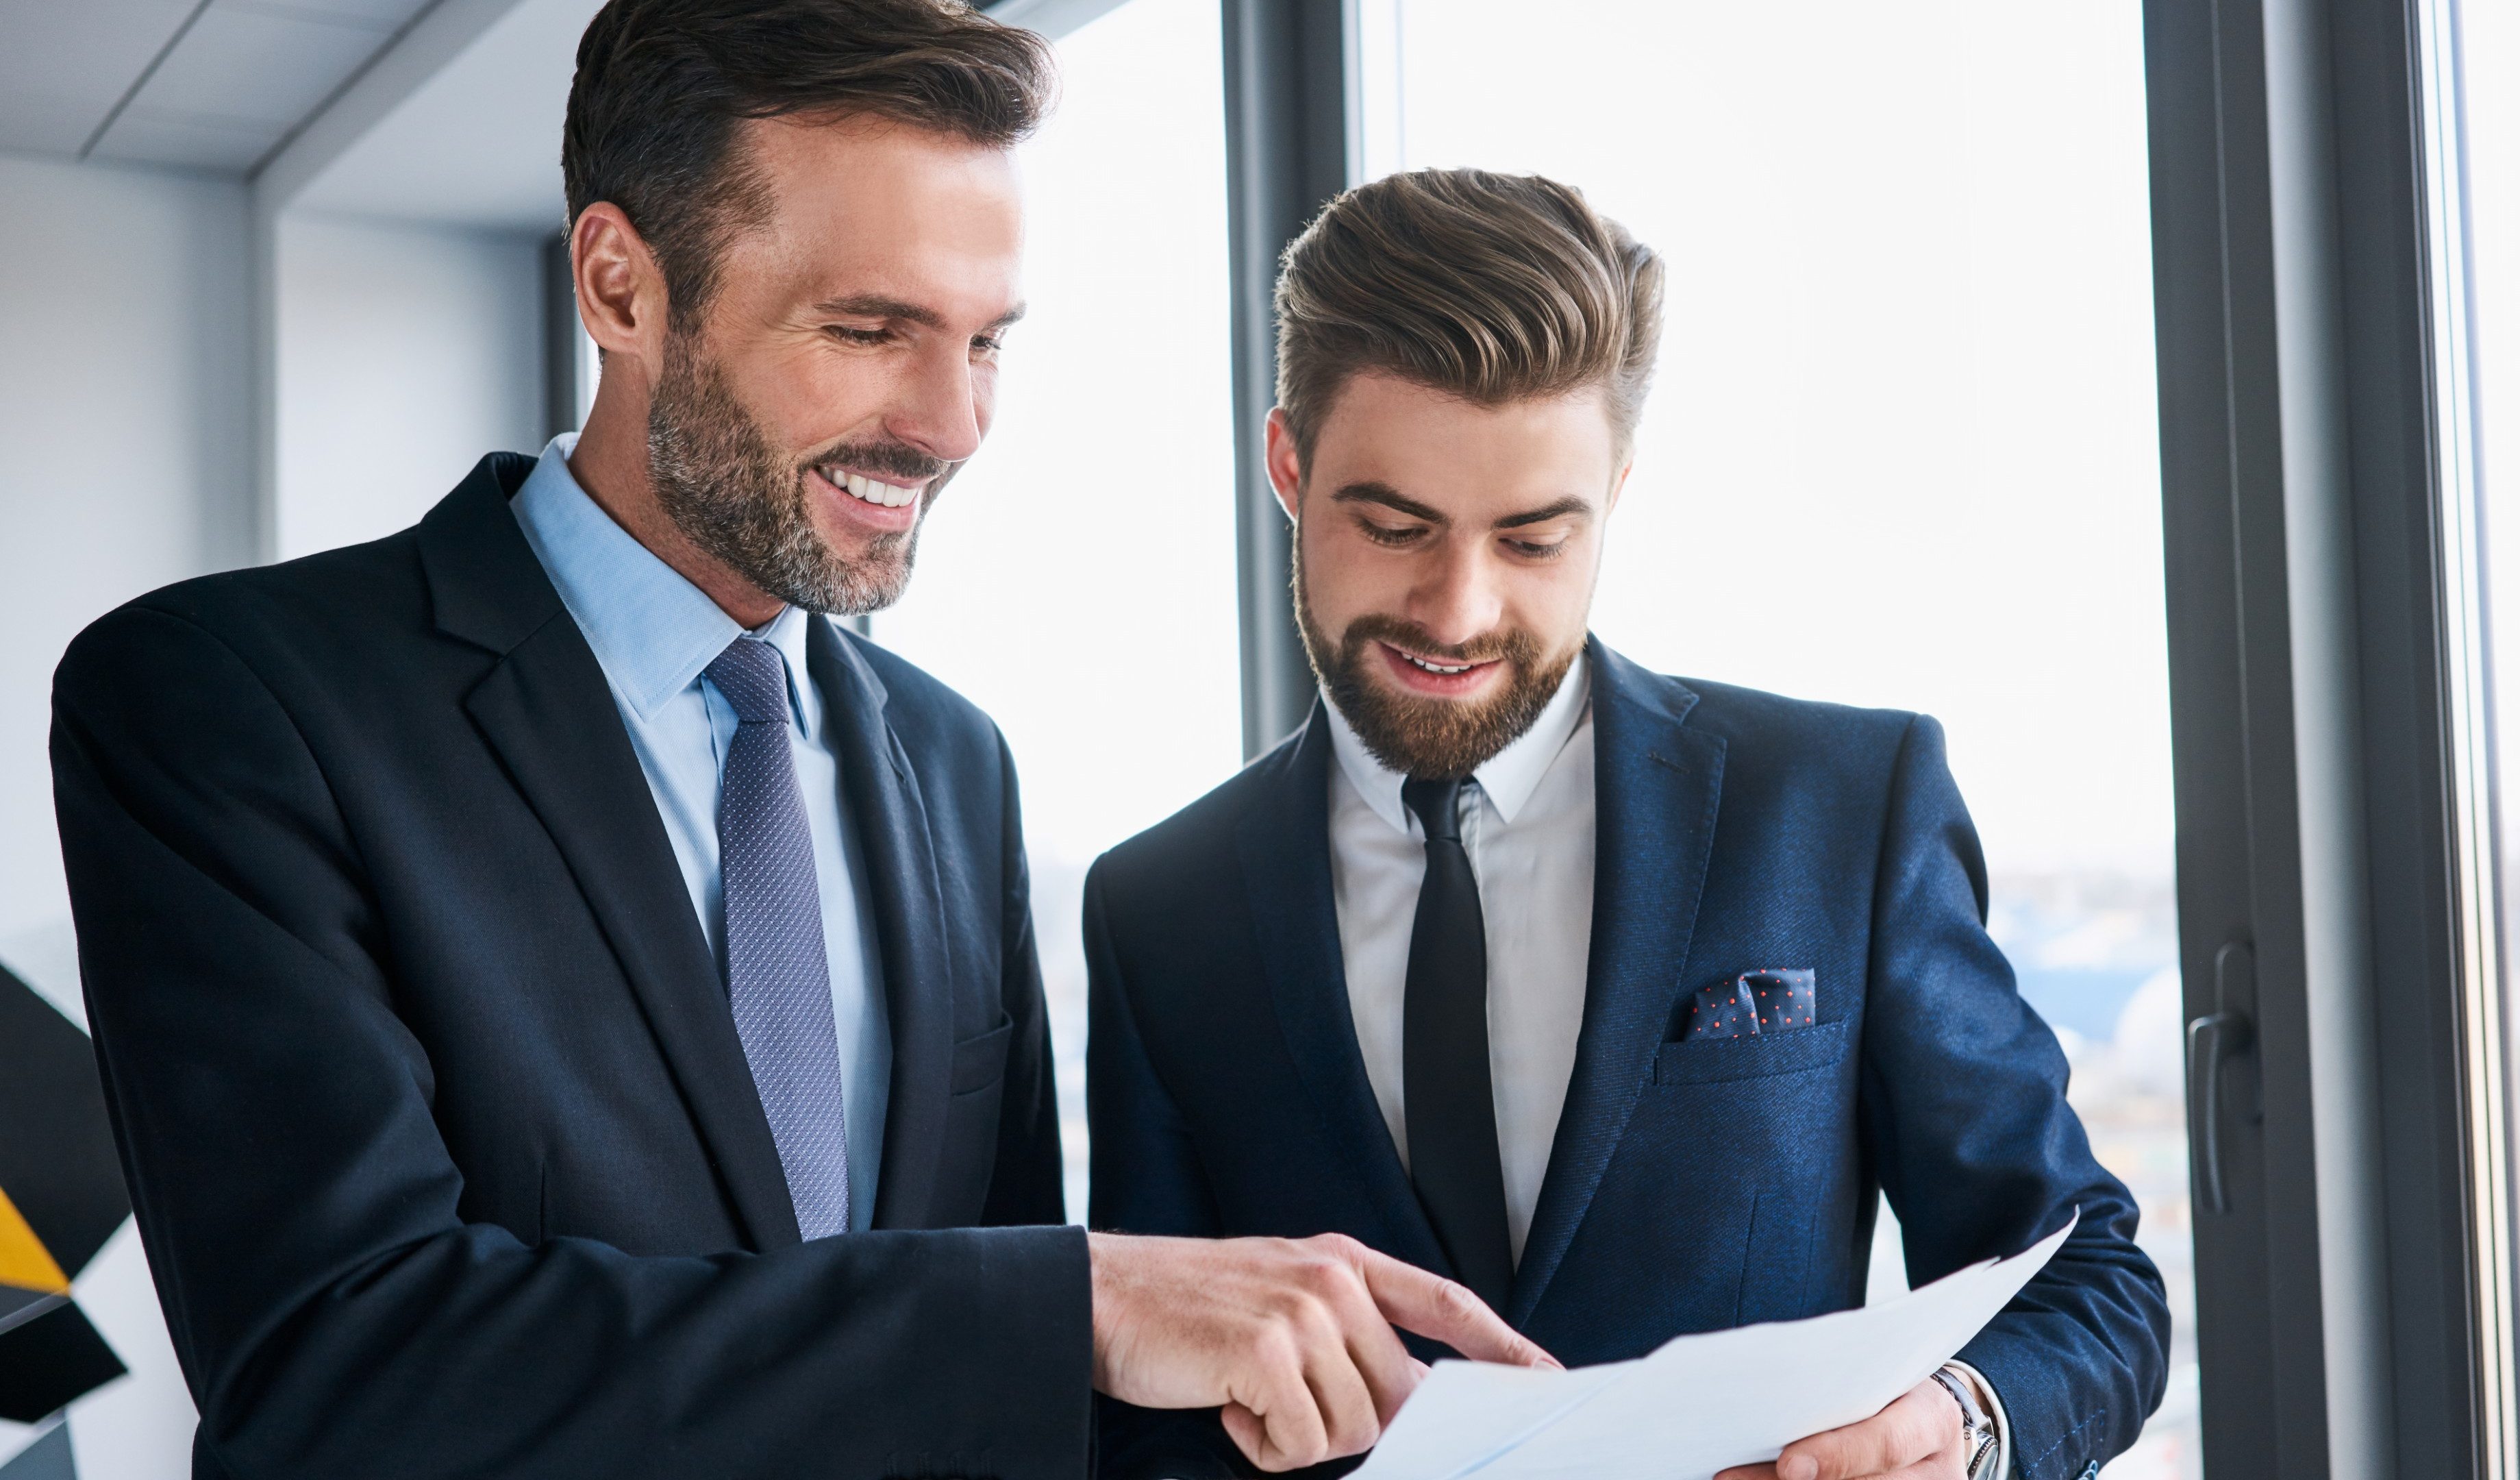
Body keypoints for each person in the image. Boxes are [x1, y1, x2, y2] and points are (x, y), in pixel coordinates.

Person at [47, 5, 1549, 1477]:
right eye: (869, 328)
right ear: (623, 288)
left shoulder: (954, 765)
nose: (953, 423)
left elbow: (1001, 1398)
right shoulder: (229, 704)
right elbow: (338, 1365)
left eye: (985, 342)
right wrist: (1072, 1298)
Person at [1083, 169, 2171, 1480]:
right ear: (1288, 466)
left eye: (1535, 540)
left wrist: (1960, 1424)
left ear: (1618, 493)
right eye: (1392, 525)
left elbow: (2087, 1278)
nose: (1458, 611)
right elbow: (1144, 1428)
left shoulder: (1839, 806)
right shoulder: (1156, 912)